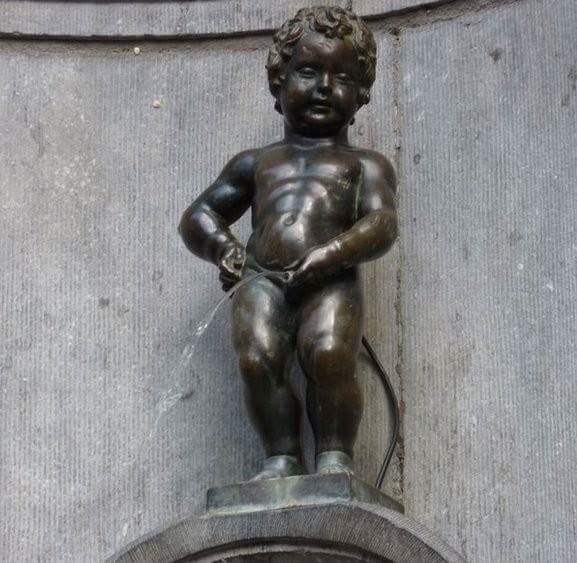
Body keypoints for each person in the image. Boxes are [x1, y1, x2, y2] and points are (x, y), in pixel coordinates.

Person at [179, 6, 397, 480]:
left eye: (342, 77)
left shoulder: (365, 165)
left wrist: (329, 255)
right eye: (308, 71)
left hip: (332, 279)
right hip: (261, 278)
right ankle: (280, 455)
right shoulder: (256, 163)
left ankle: (335, 456)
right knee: (257, 356)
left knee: (330, 354)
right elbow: (198, 216)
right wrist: (225, 249)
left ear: (362, 93)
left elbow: (382, 223)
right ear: (279, 80)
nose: (324, 87)